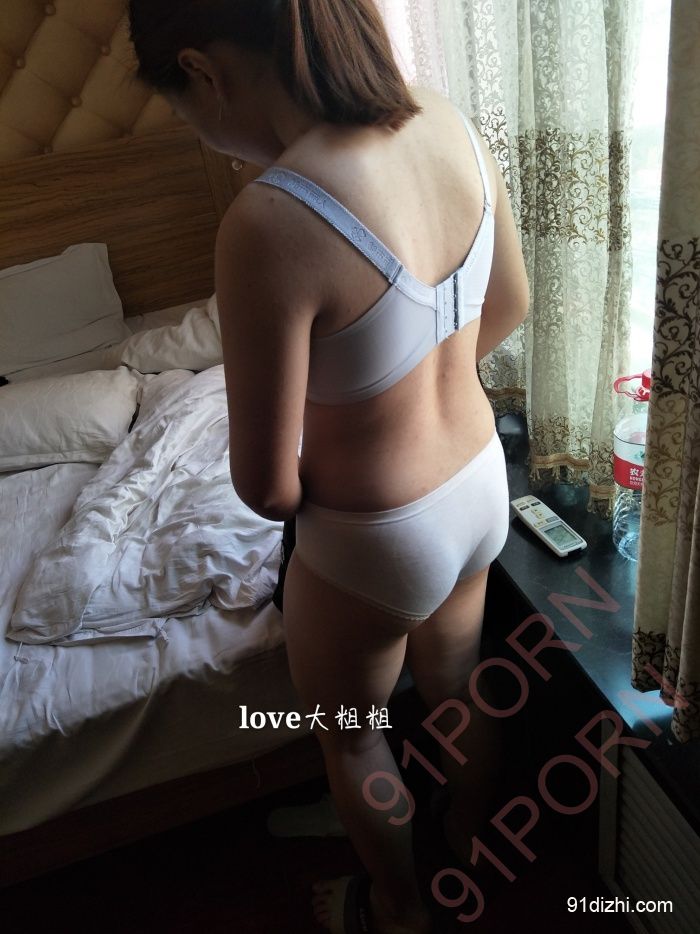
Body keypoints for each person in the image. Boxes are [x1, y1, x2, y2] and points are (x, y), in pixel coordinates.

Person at [129, 2, 529, 932]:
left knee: (352, 738)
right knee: (458, 685)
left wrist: (355, 446)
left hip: (375, 537)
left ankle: (398, 909)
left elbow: (266, 488)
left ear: (203, 71)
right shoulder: (448, 122)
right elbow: (507, 307)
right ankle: (472, 844)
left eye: (187, 114)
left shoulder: (270, 218)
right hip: (478, 485)